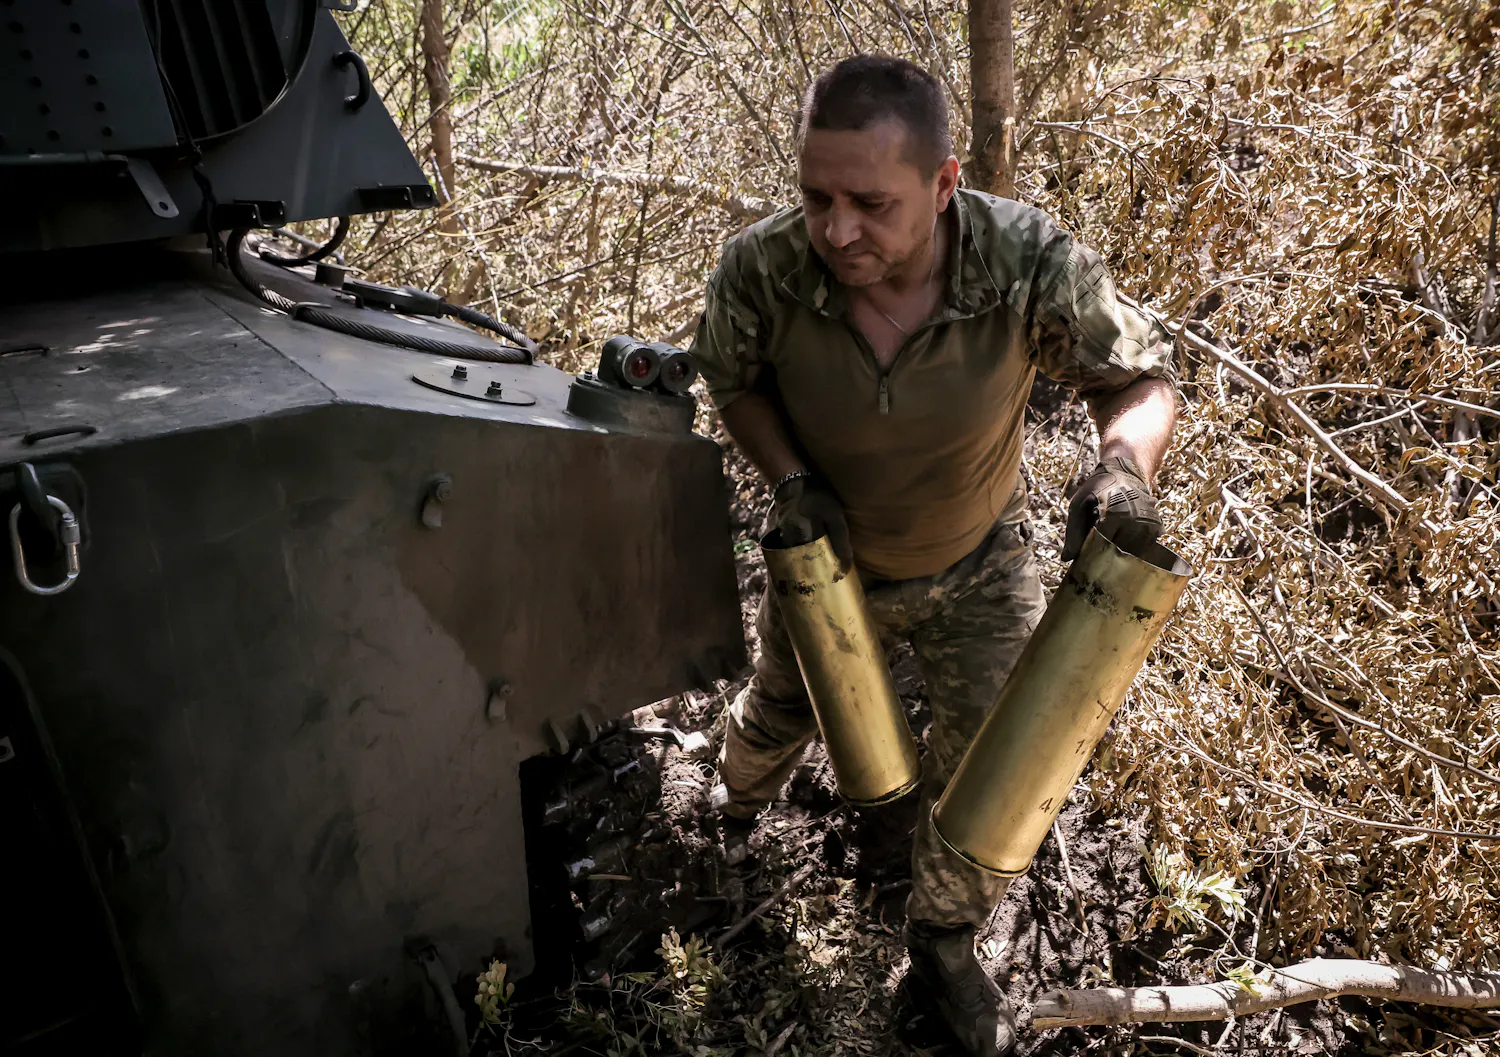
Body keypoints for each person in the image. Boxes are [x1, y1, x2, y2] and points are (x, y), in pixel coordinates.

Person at [690, 55, 1175, 1057]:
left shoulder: (1020, 260)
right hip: (828, 563)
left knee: (989, 777)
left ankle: (944, 943)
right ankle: (727, 814)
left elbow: (1139, 379)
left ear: (946, 184)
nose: (837, 230)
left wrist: (1121, 466)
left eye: (870, 202)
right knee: (780, 710)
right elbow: (730, 379)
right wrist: (788, 476)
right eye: (816, 197)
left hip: (975, 568)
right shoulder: (767, 269)